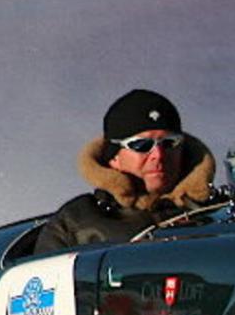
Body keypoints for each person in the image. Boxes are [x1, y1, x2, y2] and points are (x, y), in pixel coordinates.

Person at [34, 89, 215, 253]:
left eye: (169, 143)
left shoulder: (215, 213)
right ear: (114, 158)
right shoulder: (76, 222)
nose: (158, 155)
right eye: (141, 145)